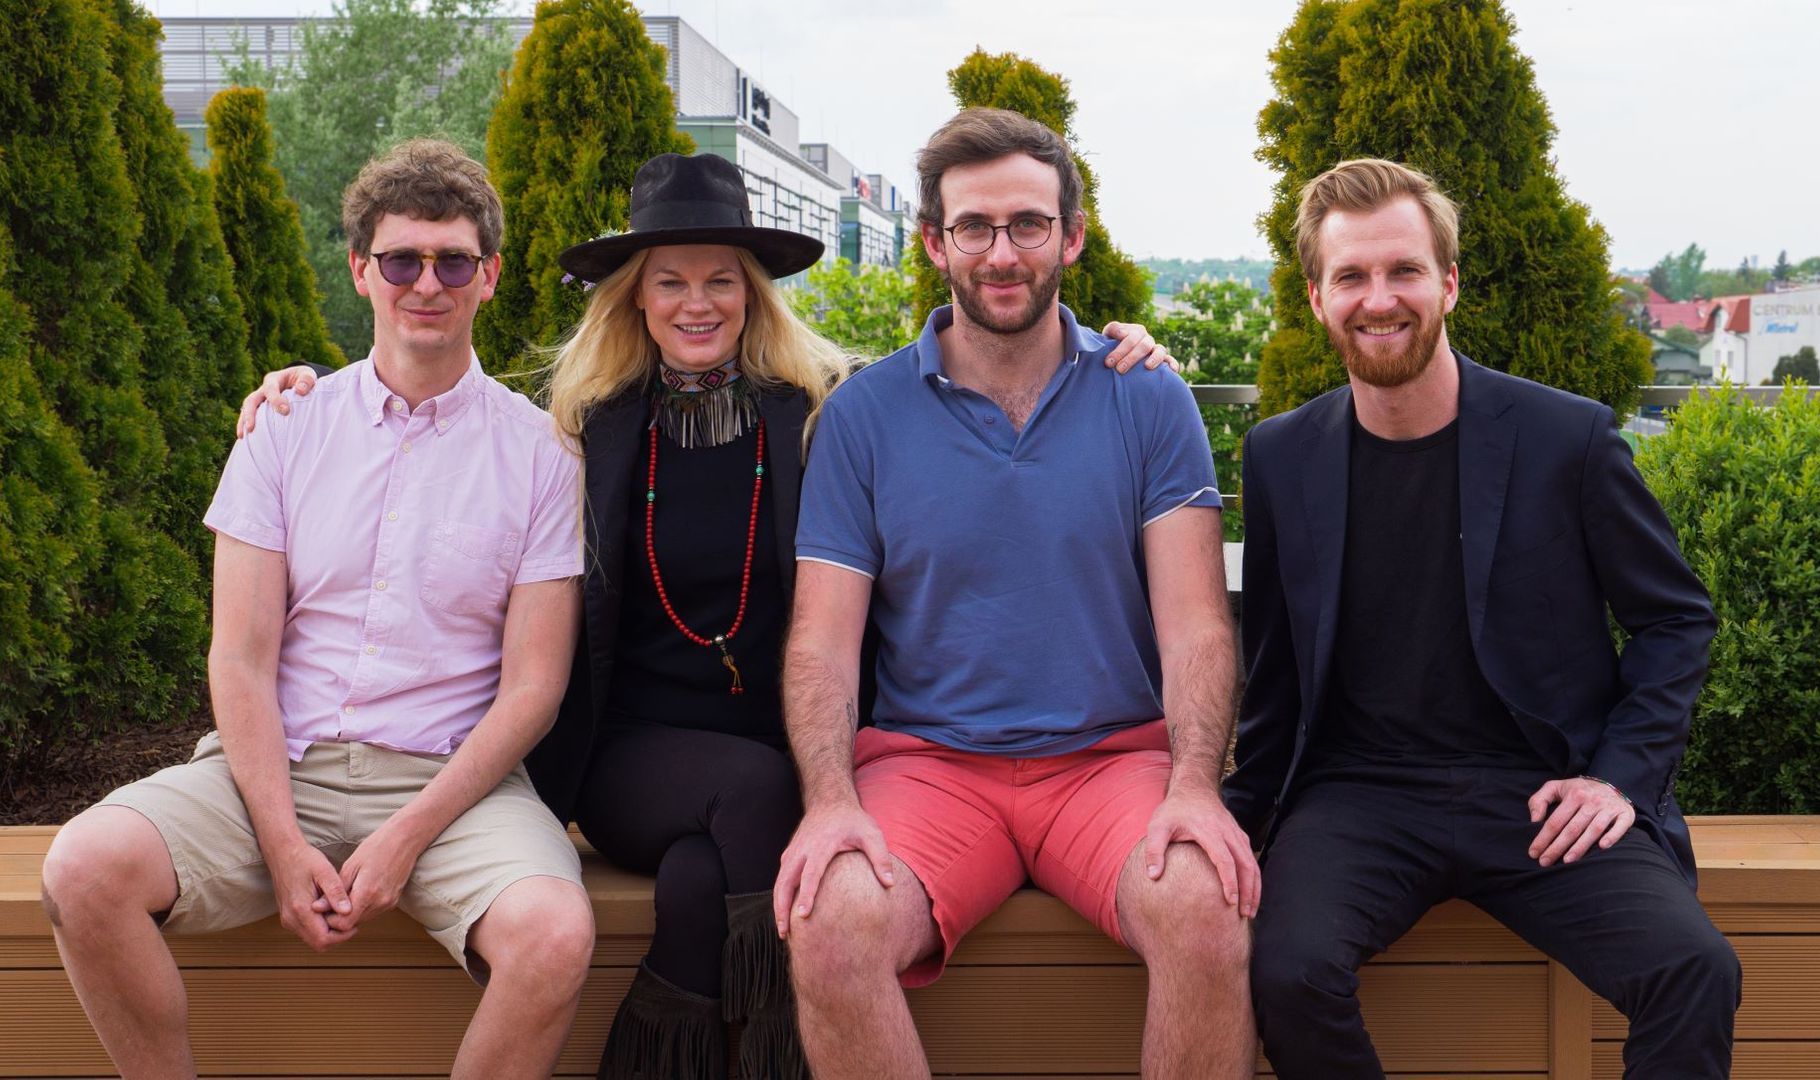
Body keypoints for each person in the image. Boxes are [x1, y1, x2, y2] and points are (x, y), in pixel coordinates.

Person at [233, 151, 1174, 1080]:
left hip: (794, 745)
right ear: (636, 299)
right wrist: (303, 382)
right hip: (629, 755)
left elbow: (960, 384)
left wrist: (1122, 356)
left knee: (696, 881)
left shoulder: (819, 415)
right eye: (670, 282)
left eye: (720, 280)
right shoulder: (586, 428)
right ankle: (782, 1059)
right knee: (752, 793)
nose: (697, 303)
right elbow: (437, 412)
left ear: (752, 294)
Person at [38, 139, 594, 1079]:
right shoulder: (284, 429)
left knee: (555, 934)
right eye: (401, 260)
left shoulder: (544, 456)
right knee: (82, 868)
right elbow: (240, 658)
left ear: (490, 276)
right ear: (360, 270)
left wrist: (407, 835)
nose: (427, 283)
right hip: (273, 767)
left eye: (453, 261)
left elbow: (533, 688)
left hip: (451, 786)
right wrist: (282, 841)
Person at [1223, 158, 1741, 1078]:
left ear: (1449, 283)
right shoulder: (1279, 456)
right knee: (1288, 972)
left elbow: (1675, 620)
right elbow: (1276, 672)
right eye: (1351, 276)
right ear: (1317, 298)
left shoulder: (1567, 438)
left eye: (1405, 270)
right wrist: (1230, 816)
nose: (1380, 299)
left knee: (1694, 971)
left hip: (1541, 792)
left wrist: (1617, 780)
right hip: (1358, 798)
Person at [773, 106, 1257, 1080]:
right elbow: (821, 642)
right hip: (929, 767)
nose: (1002, 253)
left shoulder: (1146, 397)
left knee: (1206, 904)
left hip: (1110, 763)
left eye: (1029, 224)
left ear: (1070, 237)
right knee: (831, 922)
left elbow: (1198, 628)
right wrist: (828, 802)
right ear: (933, 242)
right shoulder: (863, 416)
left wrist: (1195, 788)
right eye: (975, 227)